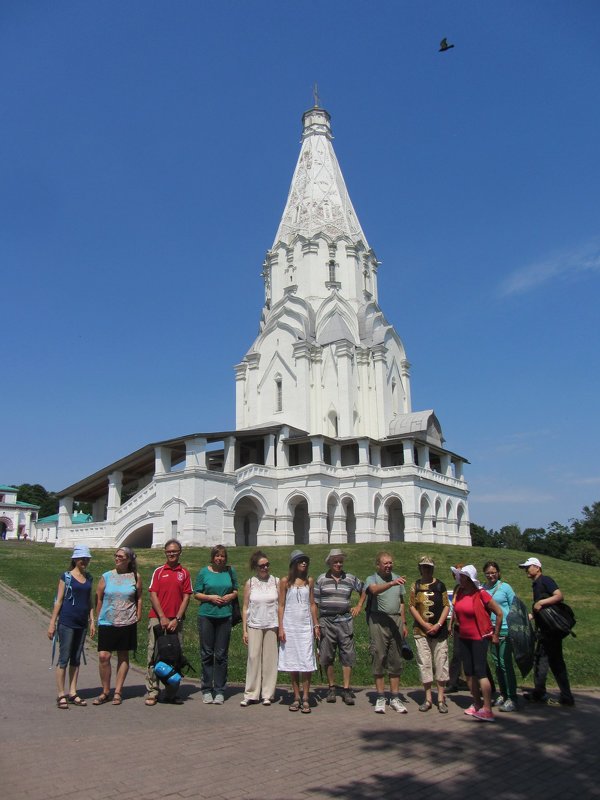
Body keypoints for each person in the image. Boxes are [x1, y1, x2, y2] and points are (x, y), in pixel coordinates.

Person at [519, 557, 575, 707]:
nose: (526, 569)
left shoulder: (546, 580)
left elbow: (559, 596)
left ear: (537, 567)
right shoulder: (536, 584)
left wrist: (541, 602)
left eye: (528, 567)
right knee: (540, 660)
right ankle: (539, 692)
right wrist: (531, 616)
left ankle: (566, 697)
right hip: (544, 631)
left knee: (556, 663)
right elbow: (540, 609)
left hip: (552, 631)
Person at [451, 564, 503, 722]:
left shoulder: (481, 594)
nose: (461, 579)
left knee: (480, 671)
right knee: (469, 672)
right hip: (464, 637)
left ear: (470, 578)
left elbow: (499, 613)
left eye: (464, 576)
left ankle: (487, 709)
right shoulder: (460, 592)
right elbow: (456, 611)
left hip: (480, 636)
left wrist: (495, 634)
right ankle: (477, 703)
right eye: (461, 576)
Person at [144, 539, 193, 706]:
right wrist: (163, 617)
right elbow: (153, 594)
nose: (172, 554)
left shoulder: (184, 573)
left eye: (175, 551)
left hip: (176, 620)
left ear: (180, 552)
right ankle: (153, 691)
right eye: (169, 551)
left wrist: (177, 618)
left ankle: (171, 692)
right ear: (165, 552)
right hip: (158, 618)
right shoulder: (159, 571)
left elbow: (187, 596)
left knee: (175, 655)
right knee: (154, 653)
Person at [47, 544, 95, 709]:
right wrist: (52, 623)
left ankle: (73, 691)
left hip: (81, 622)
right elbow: (58, 601)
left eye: (86, 559)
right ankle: (61, 694)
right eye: (82, 559)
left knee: (76, 658)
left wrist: (92, 619)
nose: (84, 561)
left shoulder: (88, 578)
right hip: (67, 621)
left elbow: (89, 601)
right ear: (75, 559)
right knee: (64, 658)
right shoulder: (66, 577)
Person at [314, 548, 363, 706]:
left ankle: (347, 689)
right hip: (326, 621)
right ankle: (331, 687)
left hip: (345, 620)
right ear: (329, 563)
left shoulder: (349, 578)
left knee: (347, 655)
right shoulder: (321, 579)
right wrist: (316, 623)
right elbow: (314, 602)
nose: (338, 564)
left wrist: (359, 606)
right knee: (327, 655)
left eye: (340, 561)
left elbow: (364, 589)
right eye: (335, 561)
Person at [94, 546, 142, 706]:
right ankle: (105, 690)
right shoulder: (106, 576)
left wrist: (139, 614)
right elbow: (99, 597)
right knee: (103, 656)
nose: (117, 558)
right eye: (116, 556)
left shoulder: (135, 576)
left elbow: (139, 597)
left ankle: (118, 692)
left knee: (123, 655)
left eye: (121, 556)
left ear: (129, 559)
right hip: (107, 621)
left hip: (127, 620)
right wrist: (97, 617)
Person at [362, 551, 409, 714]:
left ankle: (395, 697)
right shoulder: (372, 578)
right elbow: (373, 591)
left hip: (395, 620)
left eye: (390, 562)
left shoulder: (397, 579)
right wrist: (391, 584)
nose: (389, 565)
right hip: (378, 620)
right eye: (385, 563)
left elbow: (401, 602)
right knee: (379, 656)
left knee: (395, 659)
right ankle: (380, 696)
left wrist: (403, 622)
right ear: (378, 565)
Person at [193, 544, 238, 705]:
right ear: (212, 557)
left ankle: (219, 690)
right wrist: (210, 597)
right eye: (217, 556)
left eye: (222, 556)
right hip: (207, 615)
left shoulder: (230, 571)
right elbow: (196, 593)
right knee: (206, 653)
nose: (220, 558)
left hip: (225, 615)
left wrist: (229, 597)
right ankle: (206, 689)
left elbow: (235, 590)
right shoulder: (204, 572)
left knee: (221, 655)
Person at [278, 550, 319, 713]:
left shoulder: (309, 581)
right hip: (290, 625)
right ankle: (296, 697)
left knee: (306, 661)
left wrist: (316, 625)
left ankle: (306, 697)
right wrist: (281, 627)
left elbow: (312, 604)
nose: (304, 563)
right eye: (300, 561)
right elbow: (281, 605)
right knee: (293, 661)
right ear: (293, 564)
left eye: (305, 561)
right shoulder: (285, 582)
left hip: (305, 626)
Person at [408, 555, 450, 713]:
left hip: (439, 631)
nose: (426, 569)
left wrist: (438, 624)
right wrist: (424, 624)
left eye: (429, 567)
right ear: (420, 568)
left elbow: (446, 605)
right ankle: (427, 698)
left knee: (441, 663)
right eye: (424, 567)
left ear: (433, 568)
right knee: (424, 663)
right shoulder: (415, 585)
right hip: (421, 631)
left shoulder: (440, 585)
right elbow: (412, 606)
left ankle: (441, 698)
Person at [240, 550, 279, 706]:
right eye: (262, 565)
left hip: (271, 625)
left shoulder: (276, 582)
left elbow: (281, 605)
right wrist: (244, 630)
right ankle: (251, 693)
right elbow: (245, 607)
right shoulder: (250, 583)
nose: (265, 568)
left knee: (270, 659)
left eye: (267, 565)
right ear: (256, 567)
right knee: (253, 657)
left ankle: (267, 694)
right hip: (254, 624)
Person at [482, 560, 518, 712]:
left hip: (504, 630)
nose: (491, 575)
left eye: (493, 572)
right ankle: (503, 694)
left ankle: (512, 698)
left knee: (505, 664)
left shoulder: (505, 587)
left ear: (498, 572)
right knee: (497, 665)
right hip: (490, 631)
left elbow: (514, 607)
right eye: (488, 573)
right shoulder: (483, 588)